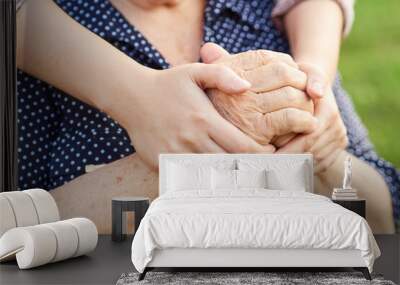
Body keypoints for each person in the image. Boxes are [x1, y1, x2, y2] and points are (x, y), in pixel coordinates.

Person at [16, 0, 399, 233]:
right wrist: (237, 139)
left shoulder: (271, 22)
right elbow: (15, 238)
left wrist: (319, 155)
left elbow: (383, 213)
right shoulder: (36, 47)